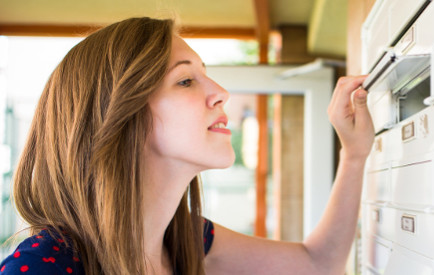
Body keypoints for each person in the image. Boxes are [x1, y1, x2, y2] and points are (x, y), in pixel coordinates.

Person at [0, 17, 374, 274]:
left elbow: (318, 265)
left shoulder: (187, 241)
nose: (221, 93)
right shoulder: (43, 264)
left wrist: (354, 154)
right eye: (185, 81)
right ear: (119, 113)